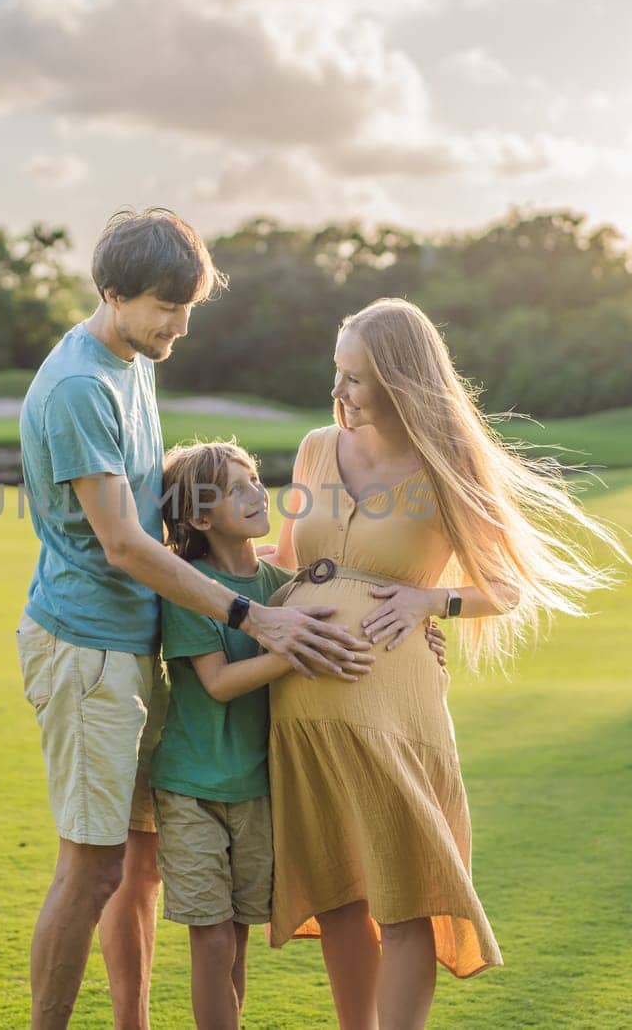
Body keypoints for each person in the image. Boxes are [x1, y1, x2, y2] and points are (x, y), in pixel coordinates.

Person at [15, 208, 378, 1030]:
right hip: (86, 648)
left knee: (133, 863)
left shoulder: (132, 360)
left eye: (188, 307)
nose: (179, 325)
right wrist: (252, 614)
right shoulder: (79, 386)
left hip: (132, 648)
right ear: (111, 293)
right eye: (163, 307)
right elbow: (123, 543)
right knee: (93, 866)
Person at [266, 298, 629, 1030]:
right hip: (301, 716)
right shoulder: (314, 448)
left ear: (400, 380)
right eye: (336, 372)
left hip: (396, 718)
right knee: (338, 897)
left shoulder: (447, 464)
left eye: (356, 379)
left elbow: (504, 586)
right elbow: (283, 561)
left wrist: (430, 602)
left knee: (406, 901)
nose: (338, 392)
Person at [148, 440, 455, 1030]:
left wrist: (423, 632)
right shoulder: (193, 588)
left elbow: (331, 599)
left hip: (259, 788)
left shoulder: (279, 583)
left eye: (254, 479)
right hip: (194, 786)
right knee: (212, 943)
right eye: (233, 489)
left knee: (235, 941)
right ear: (198, 517)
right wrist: (295, 651)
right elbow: (217, 683)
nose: (256, 492)